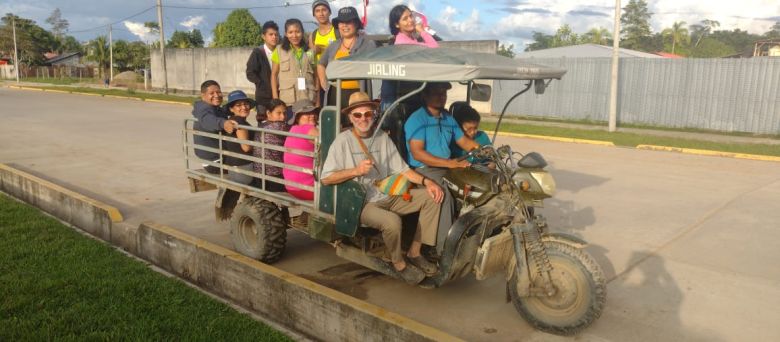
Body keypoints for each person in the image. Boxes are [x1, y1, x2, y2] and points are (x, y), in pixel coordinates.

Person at [321, 92, 445, 284]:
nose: (363, 119)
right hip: (362, 203)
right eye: (358, 115)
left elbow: (403, 169)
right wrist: (355, 171)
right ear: (350, 117)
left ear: (374, 115)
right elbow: (326, 178)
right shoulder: (342, 142)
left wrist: (427, 182)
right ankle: (398, 263)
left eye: (368, 114)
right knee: (392, 222)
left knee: (433, 197)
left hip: (387, 193)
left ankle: (415, 251)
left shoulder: (382, 138)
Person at [404, 82, 480, 253]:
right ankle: (443, 249)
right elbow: (417, 153)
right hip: (422, 170)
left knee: (476, 186)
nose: (441, 97)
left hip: (446, 168)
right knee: (443, 193)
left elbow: (465, 142)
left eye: (444, 93)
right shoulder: (417, 119)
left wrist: (486, 152)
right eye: (436, 93)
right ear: (425, 96)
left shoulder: (448, 119)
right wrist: (450, 163)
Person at [380, 5, 439, 113]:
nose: (410, 20)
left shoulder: (412, 40)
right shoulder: (403, 42)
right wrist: (422, 31)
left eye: (411, 16)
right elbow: (434, 48)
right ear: (397, 24)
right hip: (407, 97)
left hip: (414, 92)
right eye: (405, 19)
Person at [317, 6, 377, 108]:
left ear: (357, 24)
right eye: (341, 22)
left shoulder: (369, 44)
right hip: (334, 95)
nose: (344, 25)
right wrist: (324, 81)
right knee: (337, 123)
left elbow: (376, 69)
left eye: (349, 21)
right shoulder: (333, 45)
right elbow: (321, 63)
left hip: (360, 95)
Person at [271, 19, 318, 120]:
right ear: (286, 34)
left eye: (297, 31)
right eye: (290, 32)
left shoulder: (310, 52)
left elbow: (316, 75)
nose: (294, 35)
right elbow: (274, 75)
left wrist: (317, 98)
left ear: (302, 32)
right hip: (288, 101)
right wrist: (275, 98)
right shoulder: (279, 50)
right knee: (289, 128)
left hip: (307, 98)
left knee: (305, 129)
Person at [192, 80, 237, 174]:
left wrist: (237, 106)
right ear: (203, 95)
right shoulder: (204, 110)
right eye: (211, 93)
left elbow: (222, 111)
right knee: (252, 163)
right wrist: (223, 123)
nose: (216, 95)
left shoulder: (214, 108)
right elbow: (208, 119)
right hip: (215, 162)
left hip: (219, 157)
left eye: (218, 92)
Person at [283, 99, 319, 200]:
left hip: (291, 186)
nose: (311, 115)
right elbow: (330, 143)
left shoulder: (293, 129)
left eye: (313, 112)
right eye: (306, 113)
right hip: (306, 189)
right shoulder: (308, 129)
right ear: (298, 117)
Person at [246, 21, 280, 120]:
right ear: (263, 36)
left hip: (279, 95)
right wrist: (261, 83)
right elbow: (250, 72)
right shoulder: (258, 52)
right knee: (263, 123)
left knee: (278, 123)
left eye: (276, 34)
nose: (274, 37)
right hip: (263, 98)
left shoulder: (281, 52)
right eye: (271, 34)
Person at [253, 98, 289, 192]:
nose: (283, 117)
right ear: (269, 113)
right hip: (273, 176)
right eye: (279, 113)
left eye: (284, 113)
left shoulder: (262, 125)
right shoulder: (279, 126)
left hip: (260, 173)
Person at [221, 90, 256, 185]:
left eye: (246, 104)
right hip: (243, 168)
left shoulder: (233, 120)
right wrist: (262, 144)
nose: (244, 107)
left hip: (237, 168)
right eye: (238, 105)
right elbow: (246, 147)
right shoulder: (239, 122)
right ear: (231, 109)